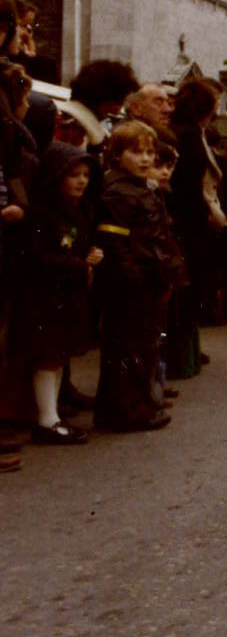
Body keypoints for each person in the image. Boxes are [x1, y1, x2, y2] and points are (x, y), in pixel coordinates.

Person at [8, 142, 103, 444]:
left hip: (66, 298)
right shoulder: (41, 214)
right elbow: (38, 259)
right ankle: (46, 421)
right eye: (73, 174)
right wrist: (81, 263)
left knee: (58, 358)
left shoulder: (76, 211)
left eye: (86, 175)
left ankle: (52, 416)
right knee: (48, 359)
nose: (81, 181)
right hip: (46, 300)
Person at [93, 121, 185, 432]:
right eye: (136, 152)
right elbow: (115, 242)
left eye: (149, 152)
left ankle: (132, 405)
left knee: (141, 344)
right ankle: (125, 411)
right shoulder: (118, 191)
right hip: (130, 282)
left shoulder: (140, 187)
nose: (145, 159)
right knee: (126, 347)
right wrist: (131, 276)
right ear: (117, 155)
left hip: (147, 277)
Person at [166, 79, 224, 379]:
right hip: (189, 222)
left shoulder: (192, 132)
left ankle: (189, 351)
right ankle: (181, 357)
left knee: (191, 290)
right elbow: (188, 186)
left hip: (194, 219)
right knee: (187, 290)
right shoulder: (187, 135)